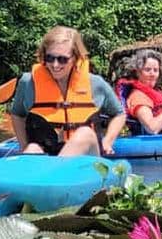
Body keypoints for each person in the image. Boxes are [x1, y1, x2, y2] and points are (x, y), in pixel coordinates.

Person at [9, 26, 127, 156]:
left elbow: (119, 114)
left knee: (85, 133)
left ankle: (60, 169)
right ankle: (51, 171)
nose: (55, 65)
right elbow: (17, 114)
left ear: (76, 58)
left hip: (87, 159)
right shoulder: (27, 82)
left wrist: (108, 141)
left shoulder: (96, 83)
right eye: (50, 58)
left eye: (62, 59)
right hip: (47, 158)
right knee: (32, 148)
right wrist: (24, 145)